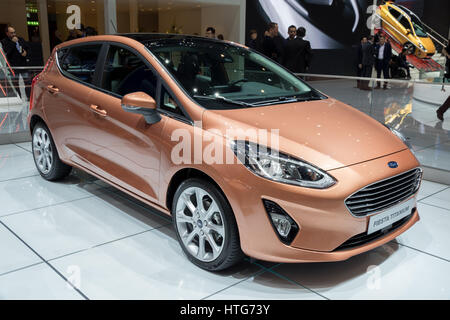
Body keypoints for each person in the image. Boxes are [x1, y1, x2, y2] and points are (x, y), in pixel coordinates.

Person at [1, 25, 31, 99]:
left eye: (14, 32)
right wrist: (13, 42)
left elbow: (28, 48)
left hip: (23, 65)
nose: (14, 34)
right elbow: (7, 52)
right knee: (15, 84)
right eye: (11, 33)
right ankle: (19, 98)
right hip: (13, 67)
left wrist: (26, 53)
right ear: (7, 33)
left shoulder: (20, 39)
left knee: (27, 83)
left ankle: (29, 98)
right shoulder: (4, 41)